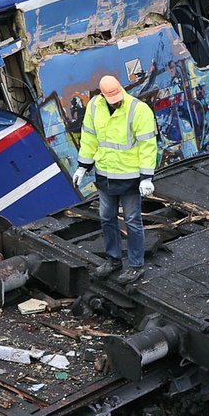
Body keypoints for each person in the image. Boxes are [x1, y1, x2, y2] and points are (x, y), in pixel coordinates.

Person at [73, 75, 159, 285]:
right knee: (106, 217)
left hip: (130, 178)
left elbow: (148, 145)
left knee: (132, 221)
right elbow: (89, 138)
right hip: (105, 175)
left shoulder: (138, 110)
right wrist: (83, 166)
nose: (116, 102)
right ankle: (113, 260)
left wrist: (146, 177)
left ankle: (136, 266)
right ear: (102, 95)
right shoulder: (94, 106)